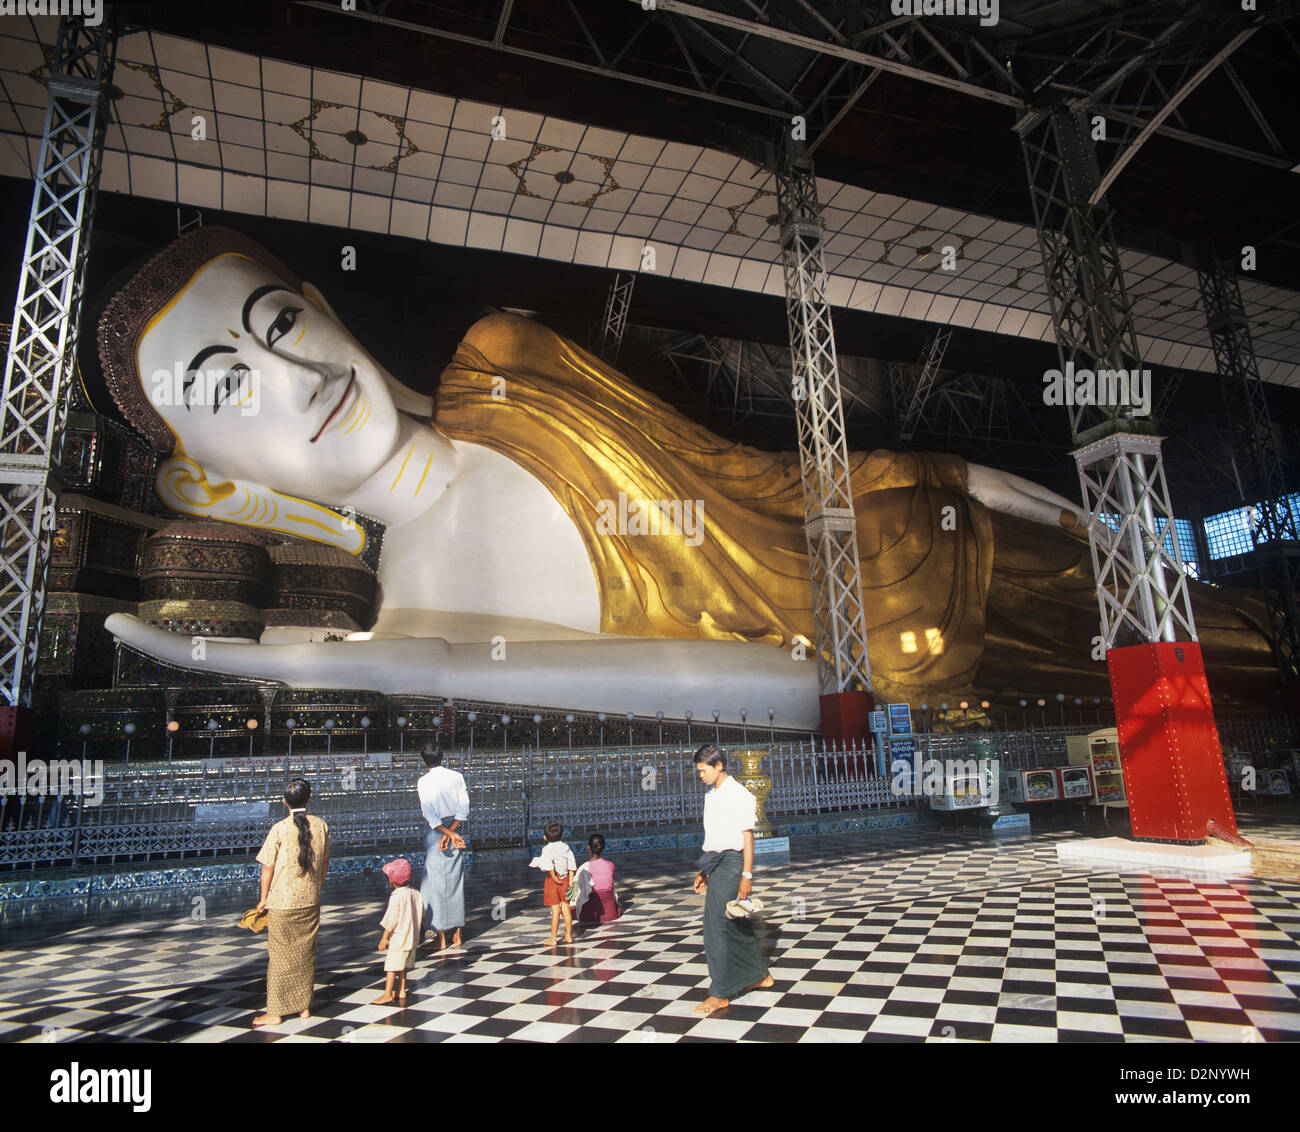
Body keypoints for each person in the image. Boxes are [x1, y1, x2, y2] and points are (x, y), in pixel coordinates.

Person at [92, 228, 1275, 719]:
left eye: (280, 324)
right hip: (916, 673)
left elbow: (744, 475)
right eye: (227, 389)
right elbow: (765, 686)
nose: (296, 378)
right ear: (213, 485)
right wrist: (280, 659)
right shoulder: (427, 624)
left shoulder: (504, 366)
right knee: (1185, 678)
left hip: (911, 538)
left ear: (325, 308)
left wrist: (942, 465)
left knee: (1220, 629)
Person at [691, 746, 773, 1016]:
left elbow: (747, 837)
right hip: (714, 860)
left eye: (704, 770)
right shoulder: (711, 794)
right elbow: (714, 838)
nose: (701, 775)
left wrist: (746, 876)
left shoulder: (739, 794)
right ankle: (759, 975)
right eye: (698, 771)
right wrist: (704, 870)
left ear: (719, 766)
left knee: (715, 927)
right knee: (733, 922)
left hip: (731, 862)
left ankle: (720, 993)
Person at [252, 778, 330, 1028]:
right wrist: (317, 888)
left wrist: (263, 899)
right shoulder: (321, 826)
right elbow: (325, 862)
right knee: (306, 955)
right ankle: (303, 1006)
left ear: (284, 801)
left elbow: (267, 867)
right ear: (309, 799)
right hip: (310, 900)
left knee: (279, 958)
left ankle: (275, 1012)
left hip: (282, 903)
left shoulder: (280, 828)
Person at [416, 743, 469, 950]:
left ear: (423, 761)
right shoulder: (456, 777)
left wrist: (447, 834)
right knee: (455, 879)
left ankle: (442, 937)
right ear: (443, 757)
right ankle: (457, 934)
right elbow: (463, 808)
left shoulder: (424, 781)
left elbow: (429, 814)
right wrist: (453, 832)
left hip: (437, 831)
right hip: (453, 827)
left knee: (436, 881)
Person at [374, 857, 423, 1006]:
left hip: (399, 939)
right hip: (411, 937)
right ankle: (401, 990)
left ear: (391, 880)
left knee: (392, 967)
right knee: (404, 966)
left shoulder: (396, 898)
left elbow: (391, 921)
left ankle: (388, 993)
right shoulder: (415, 893)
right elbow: (422, 912)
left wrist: (384, 938)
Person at [530, 822, 576, 946]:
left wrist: (554, 877)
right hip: (565, 879)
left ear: (545, 837)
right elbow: (571, 863)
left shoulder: (547, 849)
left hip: (552, 881)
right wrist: (571, 880)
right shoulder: (565, 847)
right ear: (562, 835)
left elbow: (548, 864)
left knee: (555, 910)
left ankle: (553, 938)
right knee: (566, 909)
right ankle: (568, 936)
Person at [572, 832, 621, 924]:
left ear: (588, 847)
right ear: (603, 847)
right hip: (611, 913)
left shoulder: (583, 868)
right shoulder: (610, 865)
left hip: (591, 915)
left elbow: (576, 891)